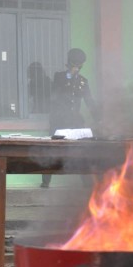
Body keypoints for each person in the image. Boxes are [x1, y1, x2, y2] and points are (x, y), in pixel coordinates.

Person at [41, 48, 97, 188]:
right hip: (59, 121)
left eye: (79, 64)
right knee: (51, 152)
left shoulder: (83, 81)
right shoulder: (59, 77)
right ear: (69, 62)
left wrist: (99, 119)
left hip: (75, 122)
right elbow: (55, 95)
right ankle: (45, 182)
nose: (77, 66)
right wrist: (69, 76)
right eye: (75, 63)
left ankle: (86, 183)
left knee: (82, 152)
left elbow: (90, 101)